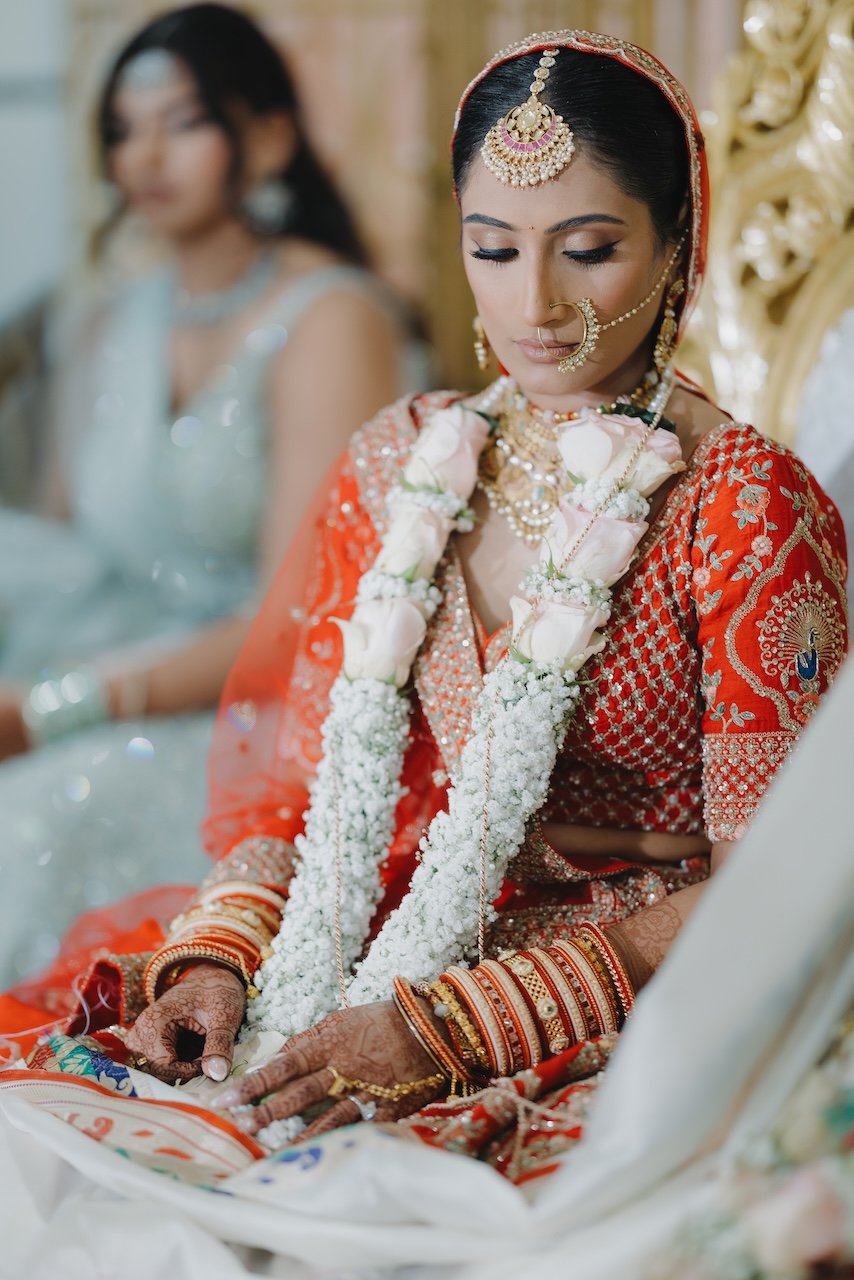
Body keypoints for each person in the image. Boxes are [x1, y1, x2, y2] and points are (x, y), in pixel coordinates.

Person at [1, 28, 847, 1195]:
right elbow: (297, 793)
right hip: (360, 950)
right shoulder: (400, 460)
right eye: (492, 249)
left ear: (674, 244)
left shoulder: (741, 504)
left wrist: (454, 1023)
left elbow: (780, 882)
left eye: (588, 248)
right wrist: (221, 962)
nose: (534, 304)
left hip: (623, 993)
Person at [0, 3, 406, 988]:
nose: (145, 155)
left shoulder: (330, 318)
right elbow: (66, 553)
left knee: (40, 818)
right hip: (88, 657)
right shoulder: (102, 323)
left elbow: (296, 614)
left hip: (250, 711)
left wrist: (53, 709)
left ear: (264, 136)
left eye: (182, 121)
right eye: (121, 130)